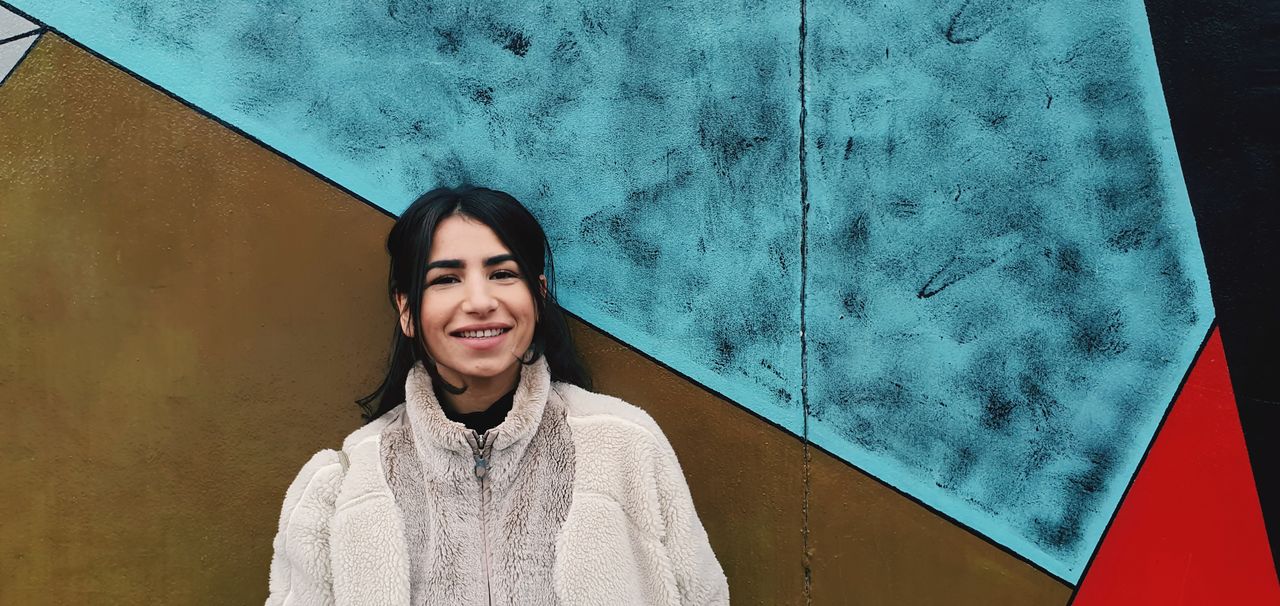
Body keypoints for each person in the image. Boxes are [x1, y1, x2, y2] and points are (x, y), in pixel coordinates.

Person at [265, 186, 729, 605]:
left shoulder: (625, 448)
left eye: (503, 273)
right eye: (446, 279)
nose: (480, 301)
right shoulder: (340, 486)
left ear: (538, 295)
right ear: (406, 310)